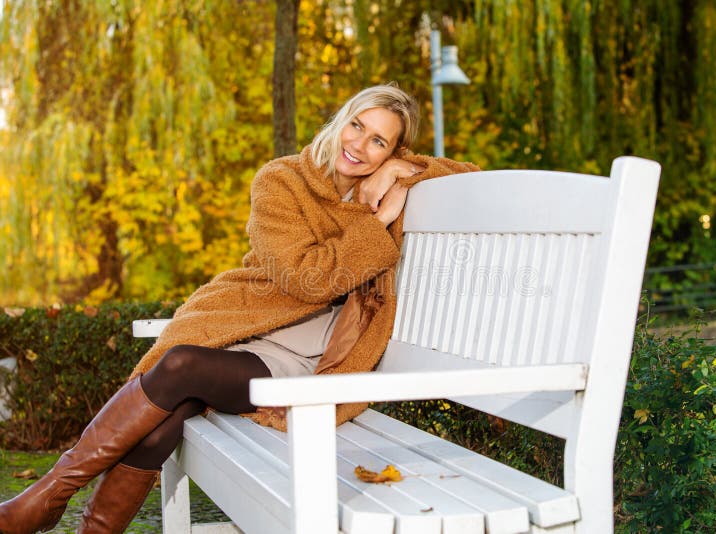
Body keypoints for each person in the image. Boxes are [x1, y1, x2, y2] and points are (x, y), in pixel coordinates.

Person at [0, 83, 478, 534]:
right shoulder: (283, 180)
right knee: (178, 391)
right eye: (356, 125)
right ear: (339, 121)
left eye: (379, 143)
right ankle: (57, 504)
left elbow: (473, 176)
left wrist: (401, 176)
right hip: (253, 336)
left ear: (391, 153)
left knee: (181, 369)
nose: (360, 145)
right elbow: (307, 279)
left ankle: (45, 499)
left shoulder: (385, 183)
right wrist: (377, 223)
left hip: (314, 362)